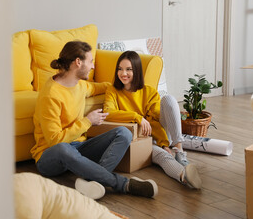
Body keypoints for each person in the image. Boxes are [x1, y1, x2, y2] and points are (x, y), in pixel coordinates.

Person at [31, 41, 158, 200]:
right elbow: (54, 142)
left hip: (77, 147)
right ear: (78, 62)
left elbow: (105, 86)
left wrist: (125, 84)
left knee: (123, 133)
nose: (92, 66)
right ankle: (124, 184)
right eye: (90, 61)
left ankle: (90, 181)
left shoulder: (81, 85)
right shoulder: (51, 94)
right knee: (64, 148)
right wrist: (87, 121)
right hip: (49, 157)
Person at [103, 50, 202, 189]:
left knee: (168, 99)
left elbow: (155, 121)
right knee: (163, 157)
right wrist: (137, 117)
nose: (123, 73)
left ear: (136, 70)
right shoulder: (112, 91)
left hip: (158, 133)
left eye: (128, 69)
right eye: (120, 69)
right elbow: (108, 113)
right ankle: (184, 176)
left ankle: (179, 150)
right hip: (140, 139)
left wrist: (164, 144)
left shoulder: (149, 91)